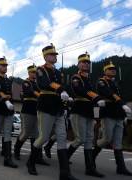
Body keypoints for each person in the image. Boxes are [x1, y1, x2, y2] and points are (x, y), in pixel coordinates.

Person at [26, 43, 77, 180]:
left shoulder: (58, 72)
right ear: (45, 56)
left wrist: (67, 99)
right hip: (46, 106)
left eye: (55, 55)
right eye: (52, 55)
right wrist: (61, 90)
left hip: (58, 108)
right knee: (43, 137)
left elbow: (63, 87)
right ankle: (30, 162)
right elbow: (44, 83)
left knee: (61, 137)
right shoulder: (40, 70)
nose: (54, 56)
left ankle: (65, 173)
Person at [93, 61, 132, 176]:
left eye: (114, 69)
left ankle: (121, 167)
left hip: (118, 114)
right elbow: (109, 93)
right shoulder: (101, 82)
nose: (113, 70)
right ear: (105, 71)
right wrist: (121, 103)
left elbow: (120, 98)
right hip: (108, 113)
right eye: (110, 69)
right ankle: (92, 156)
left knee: (118, 142)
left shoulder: (116, 83)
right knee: (107, 139)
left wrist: (124, 114)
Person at [68, 52, 105, 178]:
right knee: (80, 139)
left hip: (89, 112)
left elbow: (95, 102)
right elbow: (80, 91)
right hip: (78, 110)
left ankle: (89, 168)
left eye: (88, 62)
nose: (86, 64)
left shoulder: (89, 80)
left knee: (89, 140)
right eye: (83, 62)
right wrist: (96, 97)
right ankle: (65, 159)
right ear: (78, 64)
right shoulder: (75, 78)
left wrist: (97, 117)